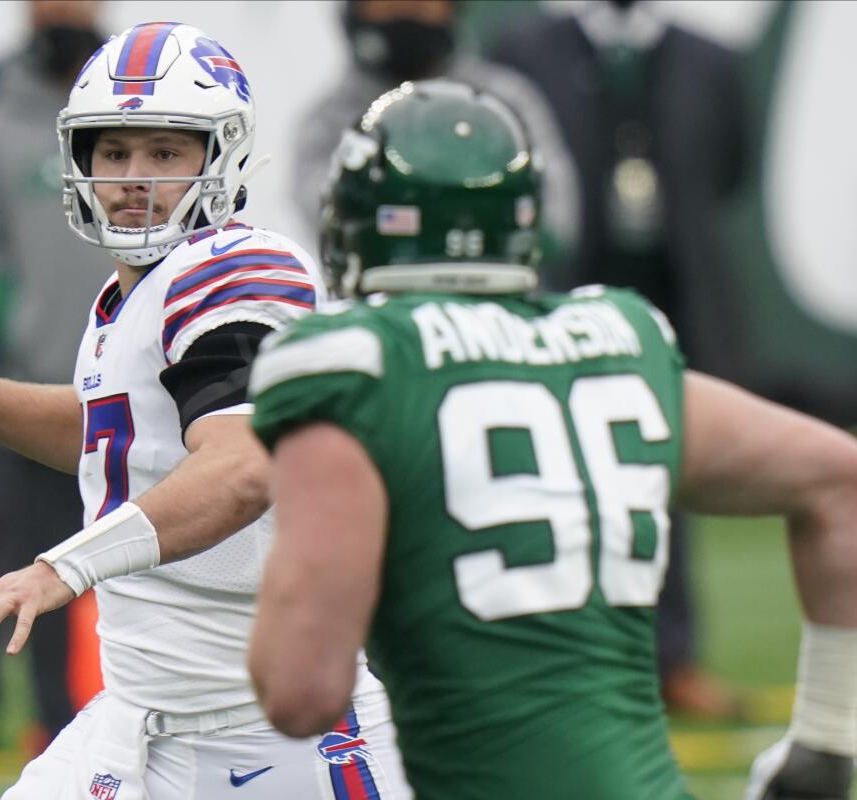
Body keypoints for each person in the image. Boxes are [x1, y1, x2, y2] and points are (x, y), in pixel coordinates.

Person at [0, 22, 410, 800]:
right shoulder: (135, 294)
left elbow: (247, 463)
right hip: (141, 722)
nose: (133, 177)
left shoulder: (236, 270)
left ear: (220, 157)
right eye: (113, 151)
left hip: (276, 742)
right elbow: (109, 434)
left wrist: (63, 567)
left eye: (165, 152)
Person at [246, 80, 857, 799]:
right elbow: (839, 480)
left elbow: (300, 690)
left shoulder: (355, 364)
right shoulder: (616, 339)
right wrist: (827, 738)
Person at [488, 0, 752, 718]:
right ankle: (563, 664)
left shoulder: (710, 59)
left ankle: (673, 658)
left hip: (674, 304)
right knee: (542, 475)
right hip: (556, 301)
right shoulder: (523, 50)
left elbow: (727, 170)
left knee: (661, 479)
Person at [0, 0, 111, 753]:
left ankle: (69, 714)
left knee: (101, 552)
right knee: (1, 546)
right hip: (26, 379)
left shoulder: (134, 104)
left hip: (121, 384)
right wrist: (22, 329)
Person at [292, 0, 578, 263]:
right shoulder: (330, 119)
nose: (405, 8)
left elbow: (557, 220)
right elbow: (325, 216)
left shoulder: (506, 102)